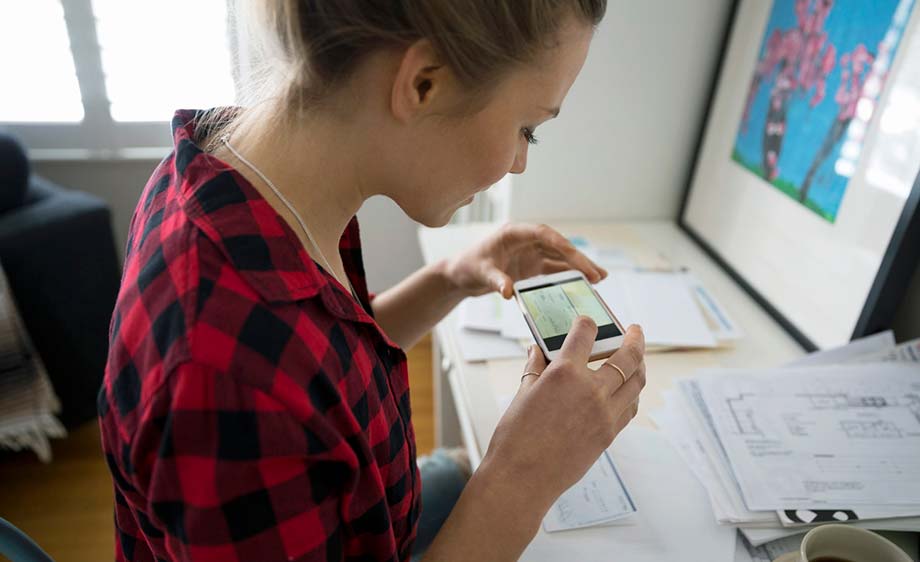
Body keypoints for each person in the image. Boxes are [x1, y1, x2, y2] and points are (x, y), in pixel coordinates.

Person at [97, 1, 646, 560]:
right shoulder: (222, 376)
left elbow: (324, 355)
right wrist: (522, 480)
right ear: (423, 84)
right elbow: (278, 373)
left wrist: (451, 278)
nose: (520, 162)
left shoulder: (253, 185)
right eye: (528, 128)